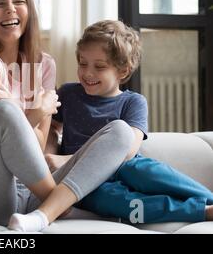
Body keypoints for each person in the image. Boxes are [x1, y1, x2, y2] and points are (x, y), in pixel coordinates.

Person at [0, 0, 136, 233]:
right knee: (3, 111)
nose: (10, 10)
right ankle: (62, 206)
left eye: (18, 1)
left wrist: (29, 116)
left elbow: (35, 148)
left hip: (31, 190)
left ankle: (45, 212)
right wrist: (37, 111)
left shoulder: (44, 65)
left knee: (120, 131)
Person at [45, 20, 213, 223]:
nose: (88, 73)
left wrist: (67, 159)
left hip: (125, 166)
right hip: (85, 181)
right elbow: (53, 128)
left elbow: (129, 149)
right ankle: (200, 211)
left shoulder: (133, 101)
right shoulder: (68, 93)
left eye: (99, 66)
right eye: (82, 63)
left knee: (145, 171)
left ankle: (209, 199)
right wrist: (50, 155)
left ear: (122, 71)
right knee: (119, 201)